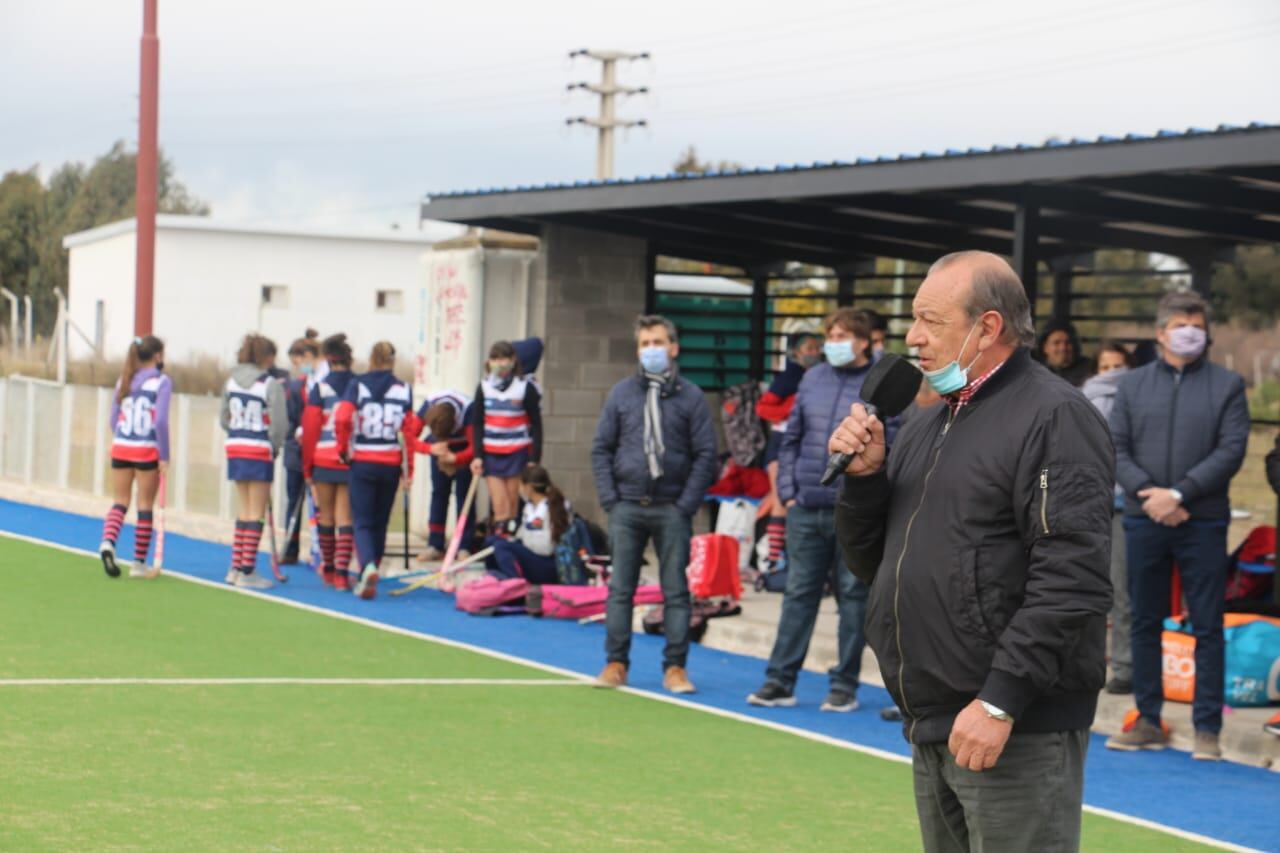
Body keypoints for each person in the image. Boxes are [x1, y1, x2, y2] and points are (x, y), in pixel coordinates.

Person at [833, 251, 1113, 853]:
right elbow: (876, 564)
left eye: (931, 320)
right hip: (935, 718)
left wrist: (1000, 700)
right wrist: (864, 481)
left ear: (987, 328)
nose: (913, 337)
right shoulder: (930, 420)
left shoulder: (1055, 416)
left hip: (1009, 722)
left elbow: (1073, 578)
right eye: (913, 319)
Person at [1105, 291, 1250, 761]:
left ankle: (1207, 728)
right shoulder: (1131, 386)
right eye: (1181, 323)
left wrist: (1181, 493)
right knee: (1143, 620)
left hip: (1201, 520)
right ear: (1161, 332)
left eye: (1197, 324)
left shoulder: (1227, 385)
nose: (1191, 331)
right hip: (1144, 516)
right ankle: (1148, 719)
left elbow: (1231, 450)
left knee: (1207, 624)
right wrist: (1150, 494)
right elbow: (1115, 447)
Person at [748, 309, 891, 713]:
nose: (833, 341)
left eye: (843, 334)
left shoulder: (879, 384)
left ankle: (843, 686)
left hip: (854, 511)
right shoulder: (811, 379)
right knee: (798, 595)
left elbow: (893, 442)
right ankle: (779, 681)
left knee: (853, 597)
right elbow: (790, 438)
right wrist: (789, 491)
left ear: (863, 341)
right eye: (831, 334)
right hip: (806, 507)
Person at [592, 314, 717, 695]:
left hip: (672, 508)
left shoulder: (691, 397)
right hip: (627, 506)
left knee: (676, 590)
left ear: (673, 348)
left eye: (658, 343)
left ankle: (675, 668)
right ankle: (616, 663)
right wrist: (611, 499)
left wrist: (685, 505)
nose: (651, 350)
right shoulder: (621, 394)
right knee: (621, 590)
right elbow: (601, 448)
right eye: (645, 344)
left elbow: (706, 454)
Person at [334, 341, 417, 600]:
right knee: (380, 522)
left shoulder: (357, 385)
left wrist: (342, 446)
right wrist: (409, 470)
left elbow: (342, 416)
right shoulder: (404, 389)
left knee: (362, 520)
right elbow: (410, 432)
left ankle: (367, 567)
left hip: (364, 460)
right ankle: (372, 570)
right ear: (392, 361)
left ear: (370, 359)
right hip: (390, 461)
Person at [1083, 341, 1135, 695]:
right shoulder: (1080, 400)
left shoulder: (1138, 400)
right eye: (1105, 366)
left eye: (1119, 365)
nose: (1113, 373)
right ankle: (1084, 663)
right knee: (1081, 587)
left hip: (1123, 504)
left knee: (1121, 590)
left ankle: (1124, 666)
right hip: (1086, 503)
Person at [99, 335, 171, 580]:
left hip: (121, 446)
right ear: (158, 356)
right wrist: (164, 455)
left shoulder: (125, 380)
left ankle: (108, 541)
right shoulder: (161, 382)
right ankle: (138, 562)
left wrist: (122, 438)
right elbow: (160, 421)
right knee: (144, 504)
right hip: (146, 449)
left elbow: (112, 418)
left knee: (119, 501)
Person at [221, 333, 288, 589]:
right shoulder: (269, 384)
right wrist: (274, 445)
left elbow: (223, 419)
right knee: (256, 512)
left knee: (244, 508)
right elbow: (279, 423)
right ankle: (247, 570)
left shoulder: (230, 383)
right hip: (258, 447)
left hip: (236, 446)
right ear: (266, 358)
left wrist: (237, 431)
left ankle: (235, 567)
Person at [756, 331, 821, 571]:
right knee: (779, 499)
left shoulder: (820, 376)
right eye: (808, 348)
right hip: (782, 441)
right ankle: (773, 561)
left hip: (805, 443)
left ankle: (790, 558)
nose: (814, 353)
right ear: (796, 352)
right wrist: (791, 412)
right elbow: (763, 408)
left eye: (816, 348)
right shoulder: (789, 377)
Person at [301, 333, 357, 590]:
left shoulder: (319, 388)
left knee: (326, 517)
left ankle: (329, 568)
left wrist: (307, 466)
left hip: (323, 457)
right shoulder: (358, 385)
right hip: (350, 459)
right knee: (345, 517)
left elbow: (311, 428)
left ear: (327, 359)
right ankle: (343, 574)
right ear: (349, 358)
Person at [469, 340, 542, 536]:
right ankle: (499, 545)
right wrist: (477, 455)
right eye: (495, 358)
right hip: (492, 453)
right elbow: (477, 424)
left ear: (512, 361)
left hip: (517, 452)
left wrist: (534, 458)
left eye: (503, 358)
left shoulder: (524, 388)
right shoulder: (483, 388)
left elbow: (536, 424)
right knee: (499, 505)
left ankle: (510, 546)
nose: (499, 363)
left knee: (511, 505)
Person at [415, 390, 476, 562]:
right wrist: (430, 449)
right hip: (438, 449)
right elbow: (409, 438)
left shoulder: (469, 410)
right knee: (439, 494)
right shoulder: (428, 405)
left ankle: (464, 546)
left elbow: (475, 446)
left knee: (464, 497)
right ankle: (435, 544)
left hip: (463, 449)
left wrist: (457, 458)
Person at [483, 465, 571, 584]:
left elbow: (545, 548)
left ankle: (514, 586)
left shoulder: (553, 507)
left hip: (548, 563)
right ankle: (495, 578)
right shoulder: (529, 508)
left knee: (502, 547)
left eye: (520, 485)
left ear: (528, 487)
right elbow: (523, 535)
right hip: (533, 554)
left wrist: (520, 544)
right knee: (492, 541)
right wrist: (513, 539)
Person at [281, 331, 320, 564]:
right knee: (293, 500)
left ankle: (320, 549)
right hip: (296, 454)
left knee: (320, 504)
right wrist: (296, 433)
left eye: (298, 362)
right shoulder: (295, 387)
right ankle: (290, 548)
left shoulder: (322, 384)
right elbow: (289, 420)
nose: (297, 368)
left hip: (319, 455)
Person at [1035, 318, 1094, 386]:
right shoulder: (1035, 373)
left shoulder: (1090, 370)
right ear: (1045, 347)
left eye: (1068, 342)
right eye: (1057, 343)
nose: (1063, 348)